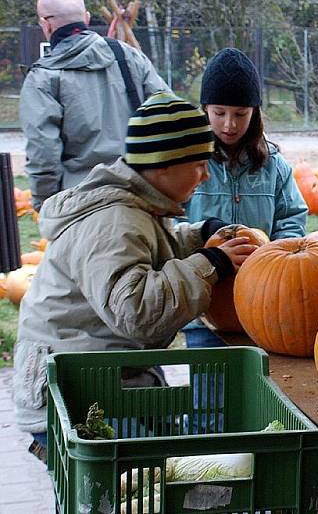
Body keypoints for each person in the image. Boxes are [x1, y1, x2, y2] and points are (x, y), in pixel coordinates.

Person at [13, 92, 258, 459]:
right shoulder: (113, 221)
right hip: (76, 398)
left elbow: (143, 251)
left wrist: (199, 233)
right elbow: (136, 311)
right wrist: (210, 264)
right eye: (198, 164)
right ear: (163, 165)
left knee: (148, 481)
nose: (205, 174)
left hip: (105, 382)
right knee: (129, 489)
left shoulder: (133, 208)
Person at [182, 47, 308, 347]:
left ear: (255, 113)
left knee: (259, 382)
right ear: (205, 110)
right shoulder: (190, 165)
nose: (229, 124)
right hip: (205, 296)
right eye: (219, 113)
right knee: (209, 385)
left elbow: (291, 217)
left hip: (263, 299)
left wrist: (274, 257)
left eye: (240, 114)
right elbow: (173, 219)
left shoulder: (274, 165)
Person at [20, 0, 168, 210]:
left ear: (46, 24)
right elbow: (169, 115)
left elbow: (43, 156)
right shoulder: (129, 57)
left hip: (81, 208)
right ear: (86, 18)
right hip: (141, 198)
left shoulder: (43, 78)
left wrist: (47, 206)